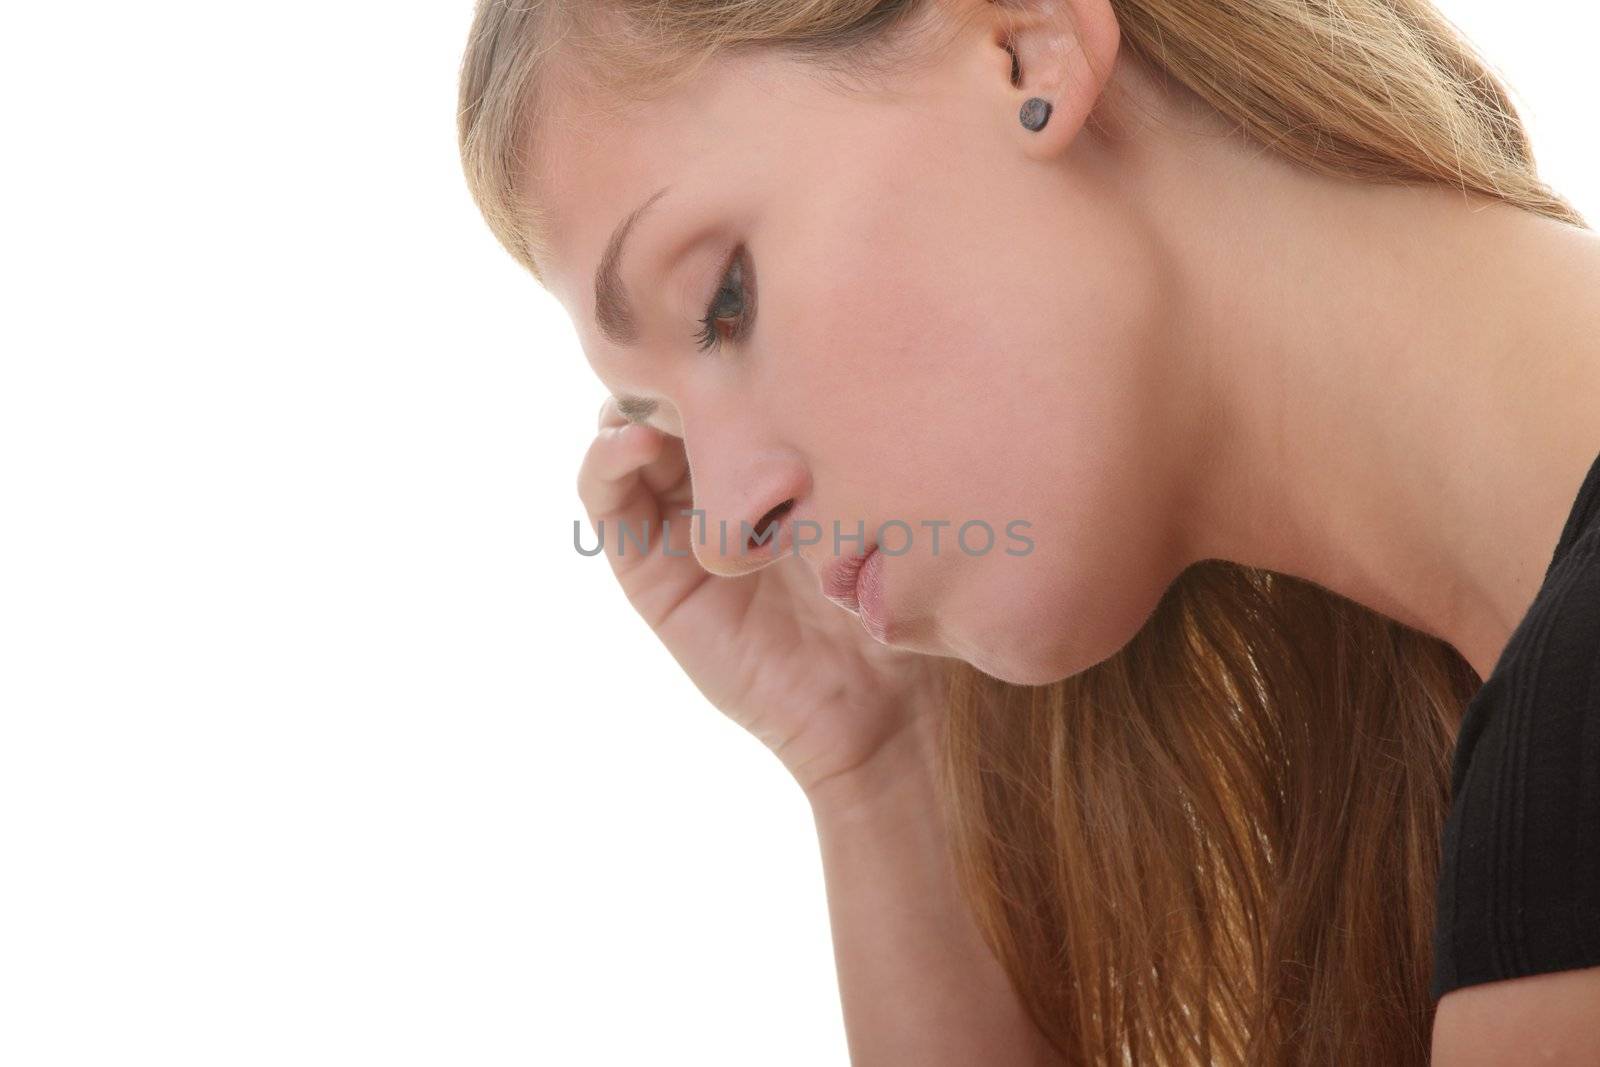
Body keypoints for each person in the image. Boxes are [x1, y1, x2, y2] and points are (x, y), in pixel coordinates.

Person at [456, 1, 1600, 1062]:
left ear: (1030, 49)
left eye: (724, 301)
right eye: (661, 424)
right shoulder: (1510, 747)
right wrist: (878, 763)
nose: (724, 529)